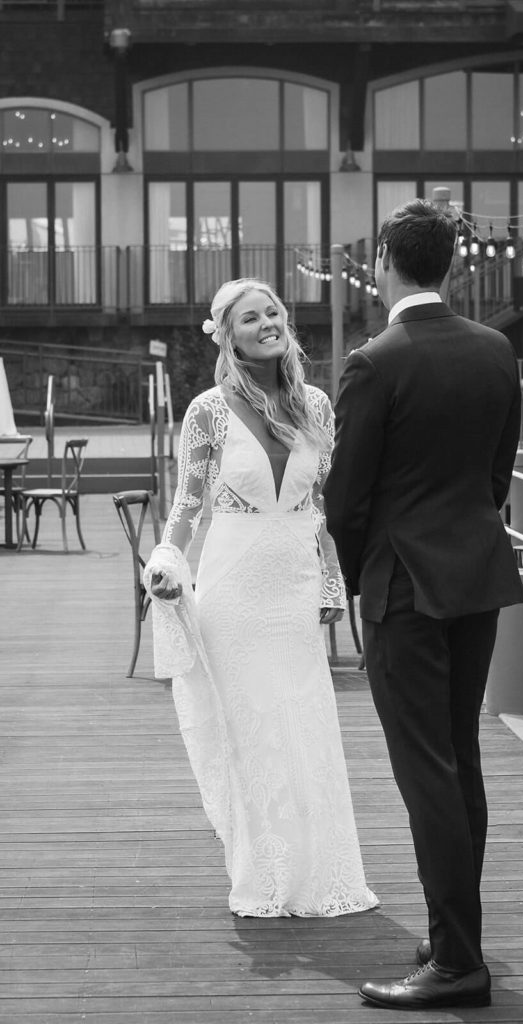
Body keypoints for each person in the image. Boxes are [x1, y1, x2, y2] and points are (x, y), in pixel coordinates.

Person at [323, 199, 523, 1008]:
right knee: (458, 759)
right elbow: (498, 474)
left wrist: (357, 577)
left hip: (403, 585)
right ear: (450, 263)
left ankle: (454, 965)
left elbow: (346, 500)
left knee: (425, 772)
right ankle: (456, 940)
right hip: (475, 572)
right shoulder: (493, 349)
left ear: (382, 260)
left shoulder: (375, 360)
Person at [144, 277, 378, 919]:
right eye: (250, 317)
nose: (267, 322)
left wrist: (333, 578)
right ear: (229, 337)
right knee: (250, 732)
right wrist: (165, 563)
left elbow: (325, 505)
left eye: (272, 311)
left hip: (296, 585)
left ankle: (321, 873)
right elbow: (186, 507)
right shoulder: (208, 411)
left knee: (305, 724)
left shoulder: (318, 407)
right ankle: (265, 873)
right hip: (233, 587)